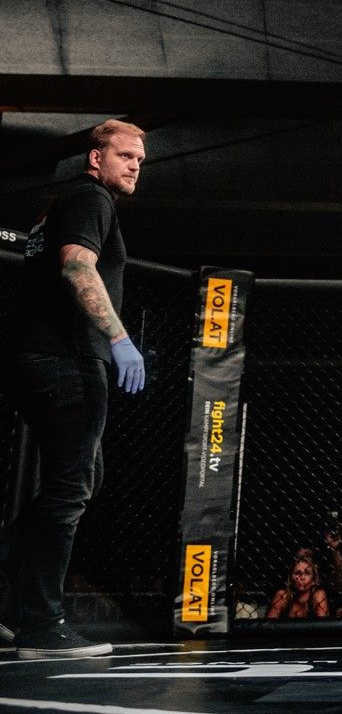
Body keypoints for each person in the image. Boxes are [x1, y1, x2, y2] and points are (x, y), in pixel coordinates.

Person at [0, 120, 147, 659]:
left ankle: (13, 604)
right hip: (65, 359)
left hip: (36, 357)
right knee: (70, 488)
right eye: (125, 156)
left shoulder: (63, 204)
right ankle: (41, 624)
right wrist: (120, 339)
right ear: (95, 158)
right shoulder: (91, 198)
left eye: (140, 160)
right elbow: (77, 265)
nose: (135, 166)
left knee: (84, 477)